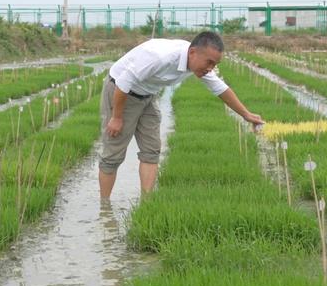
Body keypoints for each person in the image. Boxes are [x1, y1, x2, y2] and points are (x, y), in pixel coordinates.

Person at [98, 31, 264, 201]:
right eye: (209, 62)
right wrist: (117, 117)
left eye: (215, 64)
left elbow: (220, 88)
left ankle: (146, 202)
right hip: (121, 92)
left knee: (151, 150)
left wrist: (246, 115)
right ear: (192, 52)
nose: (211, 68)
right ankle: (105, 208)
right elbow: (124, 81)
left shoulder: (198, 62)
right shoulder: (160, 57)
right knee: (114, 152)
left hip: (148, 94)